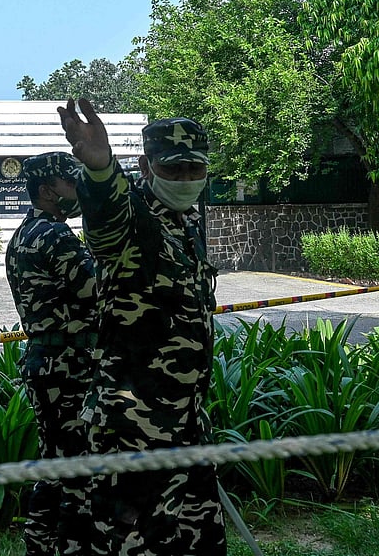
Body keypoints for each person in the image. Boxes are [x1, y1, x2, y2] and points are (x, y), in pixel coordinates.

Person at [57, 98, 226, 556]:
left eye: (194, 169)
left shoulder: (186, 223)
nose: (186, 179)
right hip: (135, 428)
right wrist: (99, 168)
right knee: (136, 543)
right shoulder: (132, 219)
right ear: (145, 167)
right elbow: (106, 218)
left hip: (186, 423)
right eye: (173, 170)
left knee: (201, 539)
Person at [5, 151, 100, 556]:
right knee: (76, 471)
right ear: (47, 191)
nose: (79, 190)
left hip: (47, 363)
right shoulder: (56, 236)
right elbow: (98, 290)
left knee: (56, 466)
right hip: (68, 367)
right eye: (71, 183)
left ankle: (40, 545)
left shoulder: (25, 233)